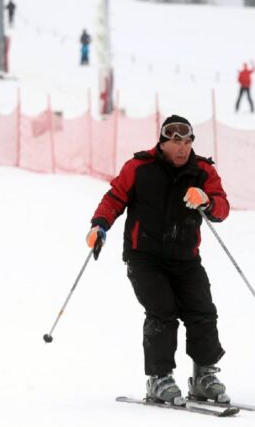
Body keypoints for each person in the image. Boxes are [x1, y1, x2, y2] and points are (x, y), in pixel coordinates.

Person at [87, 115, 231, 405]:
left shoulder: (202, 171)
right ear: (163, 143)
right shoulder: (139, 167)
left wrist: (205, 199)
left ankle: (204, 376)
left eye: (188, 143)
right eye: (176, 143)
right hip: (145, 258)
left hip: (185, 258)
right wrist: (99, 225)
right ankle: (159, 378)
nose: (183, 149)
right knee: (162, 312)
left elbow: (222, 208)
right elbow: (114, 198)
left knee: (202, 310)